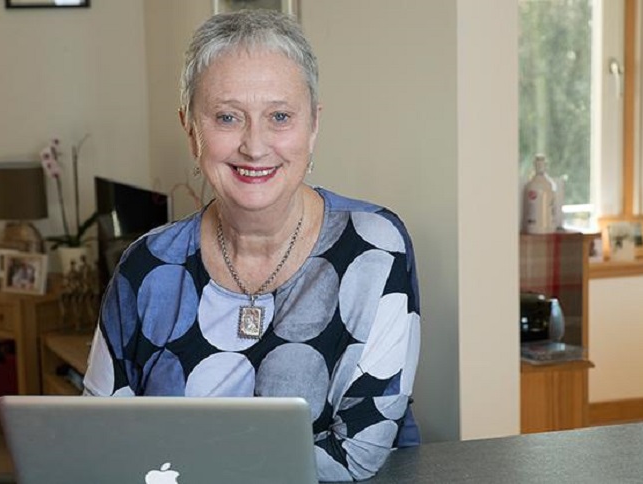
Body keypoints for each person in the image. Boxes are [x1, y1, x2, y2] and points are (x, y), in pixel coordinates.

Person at [83, 9, 421, 482]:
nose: (255, 146)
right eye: (227, 117)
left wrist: (179, 464)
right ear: (190, 130)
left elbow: (357, 456)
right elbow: (96, 435)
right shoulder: (145, 267)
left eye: (280, 116)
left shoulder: (374, 249)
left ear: (313, 126)